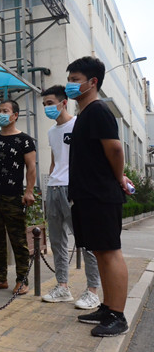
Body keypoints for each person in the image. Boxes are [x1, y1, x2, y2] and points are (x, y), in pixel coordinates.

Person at [66, 56, 132, 337]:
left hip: (101, 194)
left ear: (92, 82)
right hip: (87, 195)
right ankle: (107, 307)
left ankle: (118, 315)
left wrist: (119, 178)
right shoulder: (85, 114)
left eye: (75, 80)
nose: (70, 85)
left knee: (110, 251)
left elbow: (115, 149)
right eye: (69, 80)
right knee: (100, 251)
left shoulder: (98, 111)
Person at [40, 85, 101, 309]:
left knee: (86, 242)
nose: (47, 108)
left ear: (63, 103)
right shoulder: (51, 132)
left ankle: (93, 291)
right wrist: (50, 184)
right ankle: (63, 287)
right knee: (57, 241)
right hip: (54, 189)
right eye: (44, 104)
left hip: (74, 188)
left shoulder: (78, 124)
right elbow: (55, 161)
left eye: (50, 103)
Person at [0, 100, 36, 295]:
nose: (1, 114)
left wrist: (29, 191)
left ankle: (22, 280)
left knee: (18, 240)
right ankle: (0, 278)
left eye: (5, 111)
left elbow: (31, 167)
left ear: (15, 115)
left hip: (13, 197)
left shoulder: (25, 140)